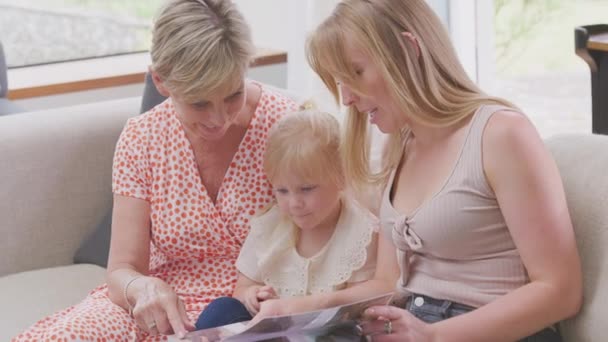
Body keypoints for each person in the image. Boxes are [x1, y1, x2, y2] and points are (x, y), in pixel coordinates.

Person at [13, 0, 297, 341]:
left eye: (233, 95)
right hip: (158, 307)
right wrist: (142, 287)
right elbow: (122, 270)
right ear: (160, 81)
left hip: (247, 310)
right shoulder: (141, 138)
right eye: (200, 102)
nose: (219, 118)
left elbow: (330, 234)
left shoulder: (288, 127)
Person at [304, 0, 583, 341]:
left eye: (356, 73)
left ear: (409, 49)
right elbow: (387, 283)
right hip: (412, 320)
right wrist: (301, 308)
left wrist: (432, 336)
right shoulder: (400, 145)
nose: (346, 98)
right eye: (339, 82)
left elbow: (560, 290)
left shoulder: (500, 134)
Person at [194, 107, 380, 330]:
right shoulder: (269, 226)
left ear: (341, 176)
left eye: (306, 189)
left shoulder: (360, 232)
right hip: (274, 334)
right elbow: (242, 288)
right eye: (282, 191)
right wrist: (252, 296)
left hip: (322, 333)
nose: (294, 203)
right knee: (223, 308)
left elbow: (360, 308)